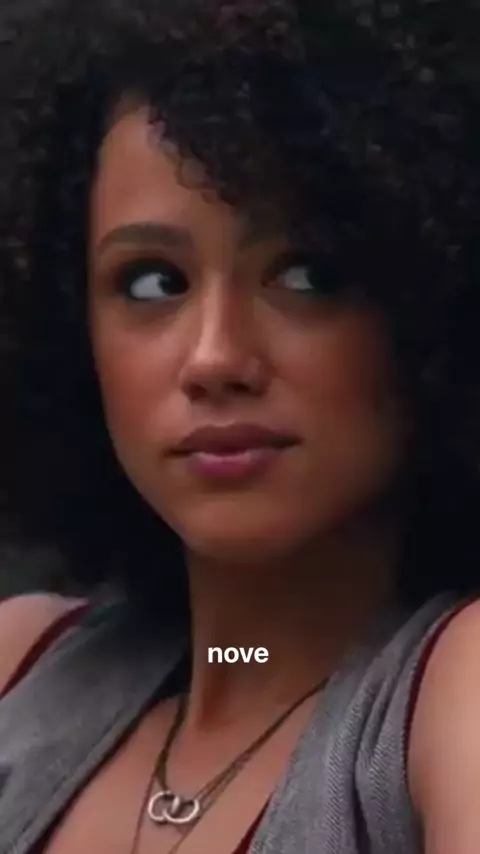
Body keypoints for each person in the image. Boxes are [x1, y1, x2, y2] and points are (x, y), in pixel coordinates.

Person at [0, 0, 480, 851]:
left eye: (307, 274)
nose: (215, 357)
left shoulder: (457, 690)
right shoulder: (18, 666)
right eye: (153, 282)